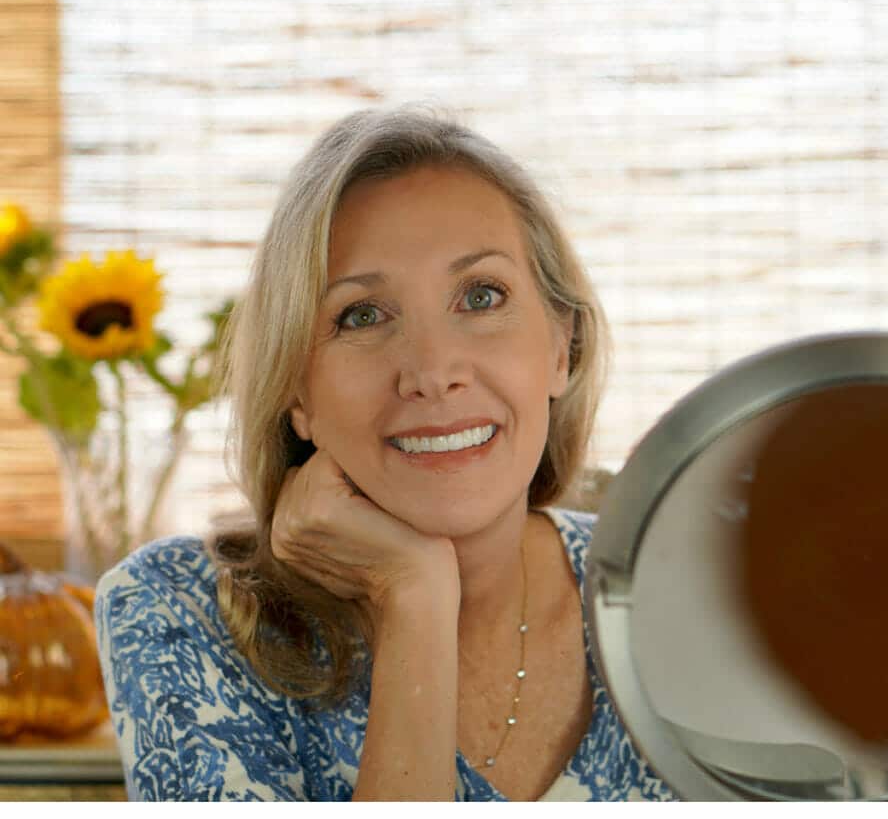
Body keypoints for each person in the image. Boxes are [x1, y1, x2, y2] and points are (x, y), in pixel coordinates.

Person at [94, 105, 678, 802]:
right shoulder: (175, 614)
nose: (432, 371)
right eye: (362, 316)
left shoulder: (677, 595)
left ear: (562, 347)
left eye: (482, 296)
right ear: (295, 392)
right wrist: (415, 598)